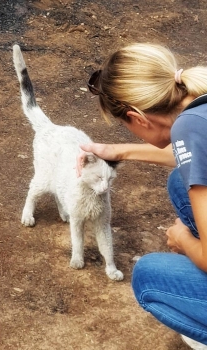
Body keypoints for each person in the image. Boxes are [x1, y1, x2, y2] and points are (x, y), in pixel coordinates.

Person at [76, 43, 207, 349]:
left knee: (148, 276)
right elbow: (196, 158)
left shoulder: (189, 129)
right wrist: (116, 151)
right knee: (180, 182)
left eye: (126, 127)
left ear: (137, 117)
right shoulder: (199, 108)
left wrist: (184, 242)